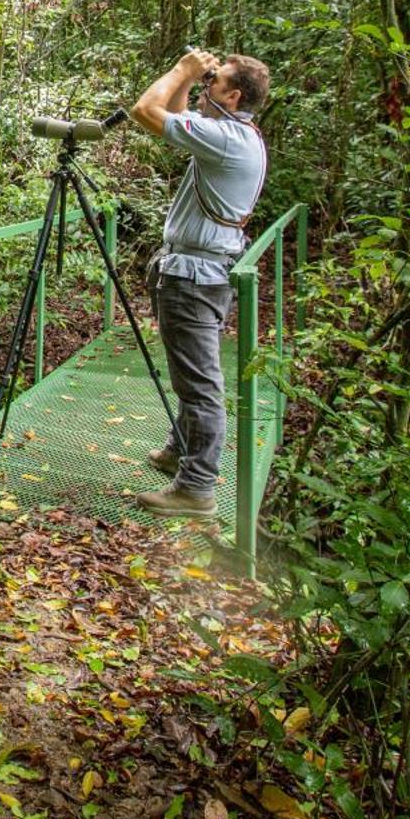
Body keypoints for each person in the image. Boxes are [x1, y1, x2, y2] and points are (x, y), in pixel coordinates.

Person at [124, 48, 270, 517]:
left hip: (194, 277)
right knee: (192, 374)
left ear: (234, 94)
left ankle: (196, 488)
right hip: (200, 271)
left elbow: (146, 111)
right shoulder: (234, 135)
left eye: (214, 81)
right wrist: (191, 81)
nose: (206, 85)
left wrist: (181, 70)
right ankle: (179, 452)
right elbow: (179, 115)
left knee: (200, 384)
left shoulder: (227, 139)